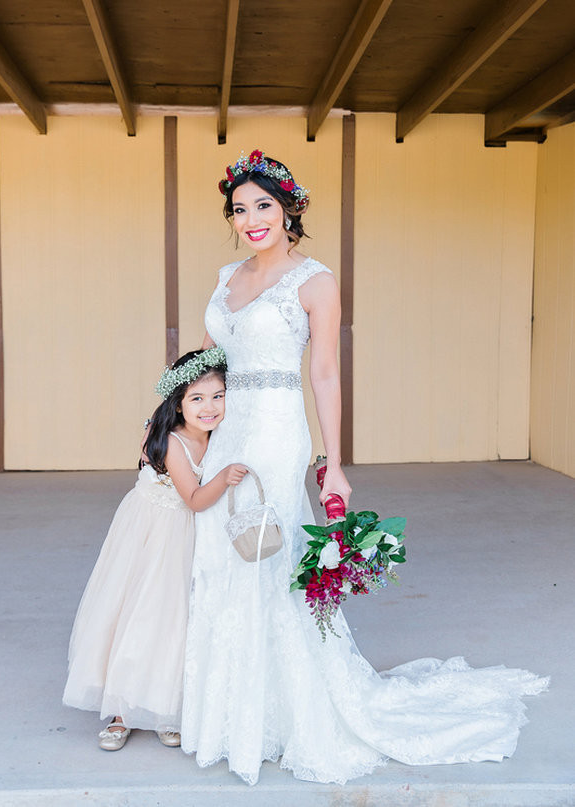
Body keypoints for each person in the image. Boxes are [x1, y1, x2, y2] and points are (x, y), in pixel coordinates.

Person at [180, 149, 549, 785]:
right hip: (224, 426)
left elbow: (324, 372)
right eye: (239, 210)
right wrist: (181, 431)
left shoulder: (314, 281)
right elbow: (206, 368)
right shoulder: (226, 277)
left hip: (274, 428)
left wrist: (334, 464)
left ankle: (286, 713)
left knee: (269, 553)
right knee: (219, 551)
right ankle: (234, 711)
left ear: (290, 207)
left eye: (263, 205)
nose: (251, 219)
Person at [62, 348, 247, 751]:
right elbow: (196, 498)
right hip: (149, 534)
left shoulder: (221, 433)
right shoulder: (171, 442)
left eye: (218, 396)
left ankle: (162, 708)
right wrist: (225, 478)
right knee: (138, 614)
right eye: (197, 399)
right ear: (177, 403)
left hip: (183, 535)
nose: (210, 407)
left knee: (175, 620)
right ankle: (121, 712)